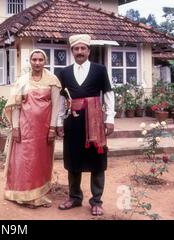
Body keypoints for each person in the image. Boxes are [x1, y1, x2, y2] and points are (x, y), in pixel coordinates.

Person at [56, 34, 115, 216]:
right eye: (76, 48)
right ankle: (74, 197)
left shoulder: (100, 70)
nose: (80, 52)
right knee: (73, 159)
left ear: (89, 50)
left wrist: (110, 119)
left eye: (83, 48)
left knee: (97, 161)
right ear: (72, 51)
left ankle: (96, 201)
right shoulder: (64, 72)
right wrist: (59, 121)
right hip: (72, 121)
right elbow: (61, 99)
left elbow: (108, 94)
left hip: (95, 121)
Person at [3, 49, 61, 208]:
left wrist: (52, 128)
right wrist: (15, 127)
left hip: (43, 130)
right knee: (24, 161)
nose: (37, 63)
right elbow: (15, 106)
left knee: (40, 161)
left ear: (45, 61)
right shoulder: (22, 81)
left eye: (40, 60)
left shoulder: (53, 81)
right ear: (30, 61)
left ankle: (38, 195)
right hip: (25, 128)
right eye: (34, 59)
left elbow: (56, 106)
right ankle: (22, 195)